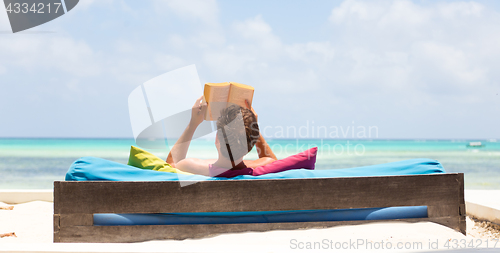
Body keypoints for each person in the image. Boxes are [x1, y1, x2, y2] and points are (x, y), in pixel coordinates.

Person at [166, 96, 277, 176]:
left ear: (217, 138)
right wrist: (253, 127)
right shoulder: (258, 167)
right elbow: (273, 161)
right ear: (252, 143)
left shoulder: (192, 167)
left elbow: (170, 166)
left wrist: (193, 124)